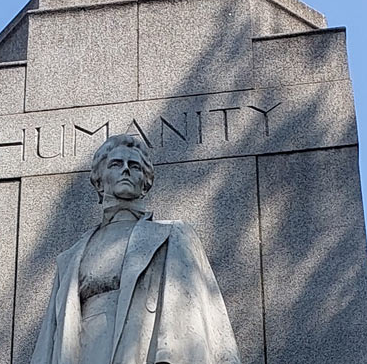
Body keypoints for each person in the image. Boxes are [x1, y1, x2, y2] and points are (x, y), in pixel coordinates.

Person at [30, 134, 241, 364]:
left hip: (145, 348)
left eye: (134, 166)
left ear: (145, 183)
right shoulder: (70, 259)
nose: (126, 170)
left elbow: (198, 317)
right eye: (116, 164)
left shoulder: (173, 235)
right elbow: (48, 344)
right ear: (99, 181)